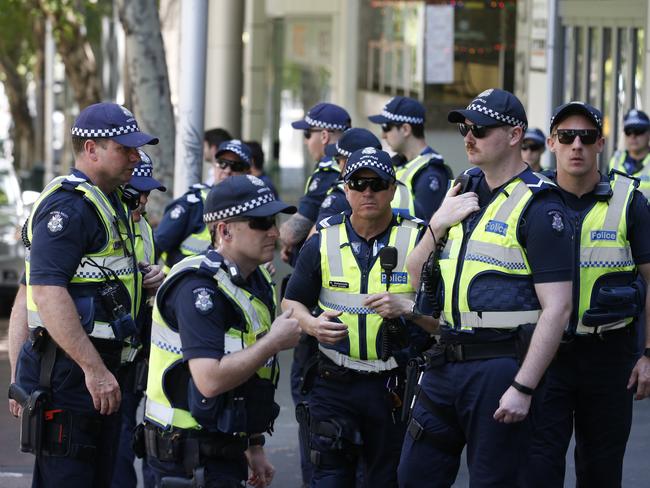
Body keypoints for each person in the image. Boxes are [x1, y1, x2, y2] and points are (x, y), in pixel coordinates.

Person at [397, 88, 573, 487]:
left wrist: (523, 387)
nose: (468, 137)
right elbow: (412, 273)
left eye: (481, 128)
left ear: (514, 135)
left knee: (494, 480)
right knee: (413, 475)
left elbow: (558, 309)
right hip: (445, 359)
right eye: (464, 128)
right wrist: (437, 223)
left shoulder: (541, 206)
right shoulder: (464, 187)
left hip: (501, 364)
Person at [14, 102, 160, 487]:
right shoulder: (70, 207)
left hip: (101, 372)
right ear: (91, 149)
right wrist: (94, 371)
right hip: (72, 374)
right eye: (124, 148)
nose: (135, 156)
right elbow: (44, 291)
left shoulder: (110, 201)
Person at [282, 147, 436, 487]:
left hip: (394, 386)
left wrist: (408, 309)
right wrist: (311, 324)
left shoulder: (420, 239)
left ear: (393, 189)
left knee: (386, 480)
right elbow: (291, 303)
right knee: (329, 479)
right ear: (345, 189)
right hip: (333, 382)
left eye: (378, 183)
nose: (368, 192)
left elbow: (443, 320)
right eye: (358, 183)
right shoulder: (323, 239)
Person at [142, 175, 302, 487]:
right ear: (225, 230)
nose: (274, 231)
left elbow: (251, 374)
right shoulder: (198, 287)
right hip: (184, 454)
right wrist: (273, 342)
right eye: (260, 222)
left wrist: (253, 444)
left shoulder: (255, 281)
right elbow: (210, 380)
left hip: (224, 444)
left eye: (274, 220)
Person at [526, 102, 650, 487]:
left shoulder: (631, 200)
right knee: (540, 468)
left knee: (601, 470)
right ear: (552, 143)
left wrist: (648, 353)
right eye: (566, 137)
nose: (576, 145)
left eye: (587, 137)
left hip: (610, 356)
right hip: (547, 355)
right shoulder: (529, 200)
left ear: (601, 143)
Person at [111, 151, 166, 488]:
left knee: (135, 440)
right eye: (136, 194)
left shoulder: (142, 225)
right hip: (103, 356)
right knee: (114, 448)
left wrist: (156, 278)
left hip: (137, 353)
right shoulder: (101, 221)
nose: (143, 202)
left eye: (147, 194)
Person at [155, 139, 252, 272]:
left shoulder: (253, 208)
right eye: (222, 163)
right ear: (214, 165)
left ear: (247, 172)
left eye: (237, 167)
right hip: (184, 284)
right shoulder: (193, 203)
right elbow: (157, 245)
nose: (228, 170)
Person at [279, 102, 350, 266]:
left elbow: (292, 233)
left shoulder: (329, 171)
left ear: (324, 136)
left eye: (307, 134)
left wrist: (281, 237)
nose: (305, 141)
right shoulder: (342, 164)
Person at [368, 96, 452, 220]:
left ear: (406, 129)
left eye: (386, 127)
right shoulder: (398, 162)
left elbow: (424, 223)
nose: (383, 135)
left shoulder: (431, 172)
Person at [314, 128, 383, 224]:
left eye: (338, 159)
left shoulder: (343, 196)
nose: (337, 165)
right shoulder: (392, 187)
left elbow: (318, 236)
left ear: (349, 163)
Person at [608, 109, 650, 198]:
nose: (633, 136)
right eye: (628, 131)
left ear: (648, 133)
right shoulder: (614, 161)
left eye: (638, 130)